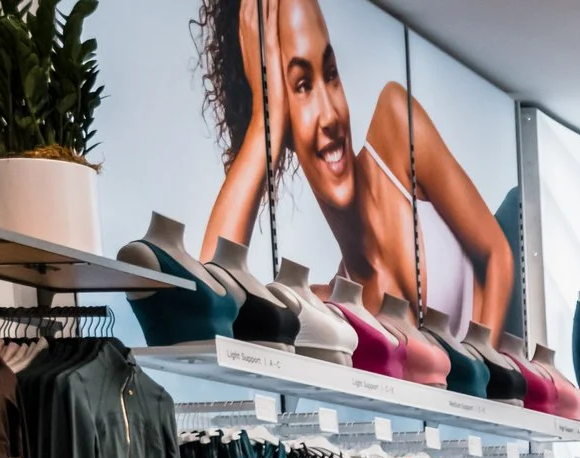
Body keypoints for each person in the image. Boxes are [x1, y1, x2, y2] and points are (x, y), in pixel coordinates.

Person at [197, 0, 512, 334]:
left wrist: (481, 380)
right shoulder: (329, 303)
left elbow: (498, 256)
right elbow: (207, 304)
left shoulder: (395, 129)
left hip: (508, 369)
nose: (331, 115)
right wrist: (265, 124)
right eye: (302, 85)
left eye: (331, 74)